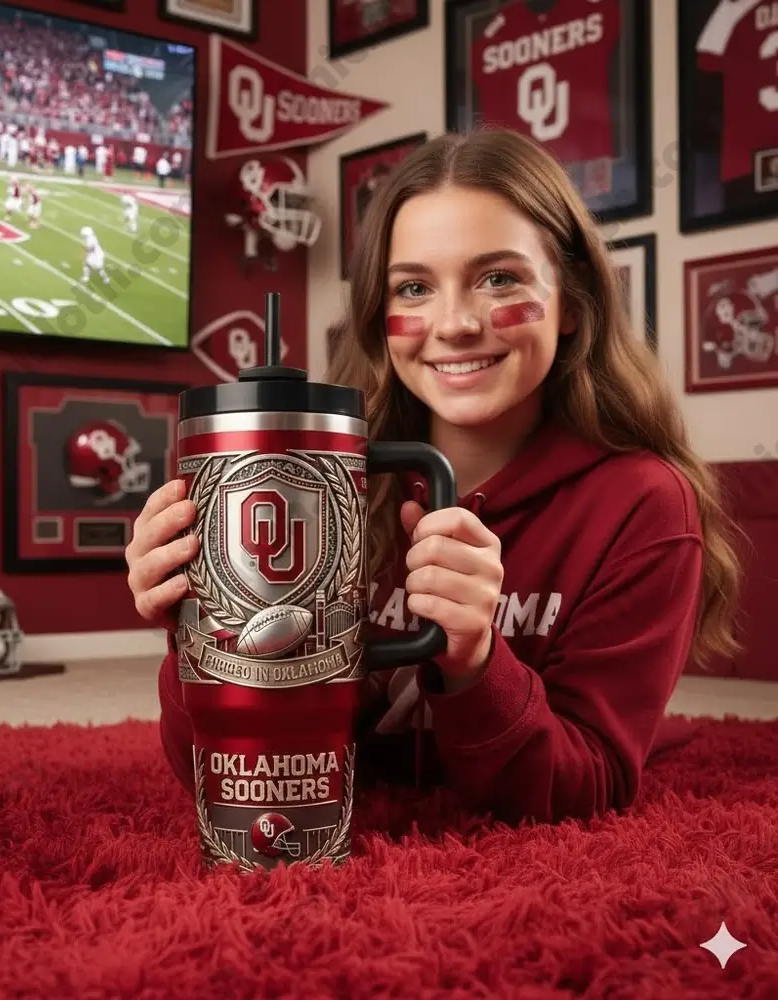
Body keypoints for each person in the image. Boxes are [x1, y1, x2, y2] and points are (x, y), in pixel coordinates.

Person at [126, 128, 742, 825]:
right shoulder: (319, 483)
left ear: (571, 302)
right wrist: (204, 634)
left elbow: (585, 785)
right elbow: (219, 781)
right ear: (379, 318)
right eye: (413, 287)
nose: (451, 324)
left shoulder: (643, 504)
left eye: (499, 278)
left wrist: (477, 660)